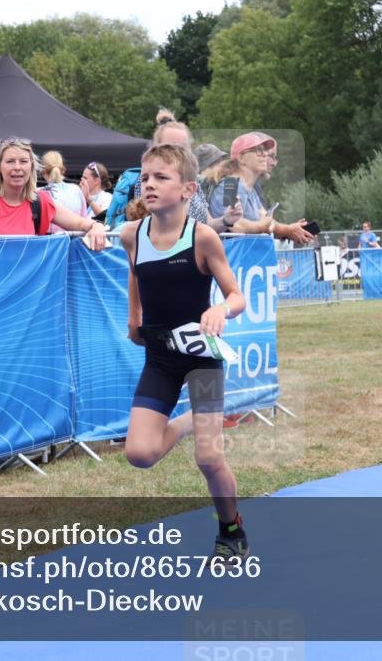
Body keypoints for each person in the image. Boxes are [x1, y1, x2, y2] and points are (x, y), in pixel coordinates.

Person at [119, 143, 248, 565]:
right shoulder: (131, 233)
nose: (149, 184)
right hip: (159, 357)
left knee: (210, 458)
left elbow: (236, 296)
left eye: (161, 177)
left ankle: (231, 530)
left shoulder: (202, 237)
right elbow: (136, 277)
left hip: (200, 356)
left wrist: (218, 308)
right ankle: (193, 419)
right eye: (146, 176)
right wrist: (134, 320)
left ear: (188, 189)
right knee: (140, 454)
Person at [0, 137, 107, 247]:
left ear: (32, 167)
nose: (17, 167)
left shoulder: (40, 201)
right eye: (10, 161)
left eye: (23, 161)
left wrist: (96, 226)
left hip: (26, 296)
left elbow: (79, 223)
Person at [209, 133, 314, 243]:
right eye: (258, 151)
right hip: (232, 257)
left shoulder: (251, 190)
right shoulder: (230, 185)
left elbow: (268, 221)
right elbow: (234, 224)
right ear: (241, 158)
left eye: (265, 151)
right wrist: (262, 226)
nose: (264, 155)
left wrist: (289, 230)